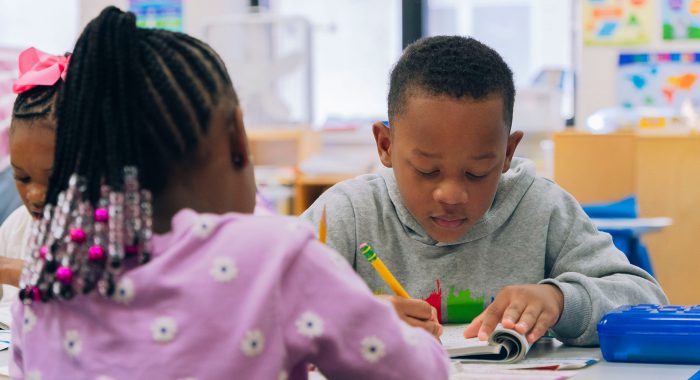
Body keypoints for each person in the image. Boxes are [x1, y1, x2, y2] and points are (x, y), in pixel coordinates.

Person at [10, 7, 449, 380]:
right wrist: (399, 333)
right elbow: (413, 371)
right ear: (238, 137)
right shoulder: (273, 258)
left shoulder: (52, 272)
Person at [301, 36, 667, 346]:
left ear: (508, 153)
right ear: (385, 146)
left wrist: (560, 299)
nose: (452, 194)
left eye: (477, 172)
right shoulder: (346, 213)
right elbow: (260, 301)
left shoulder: (541, 209)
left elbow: (647, 301)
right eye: (428, 170)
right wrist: (351, 316)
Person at [0, 47, 68, 327]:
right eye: (22, 177)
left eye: (52, 178)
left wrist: (7, 268)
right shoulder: (17, 227)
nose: (35, 195)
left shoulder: (110, 232)